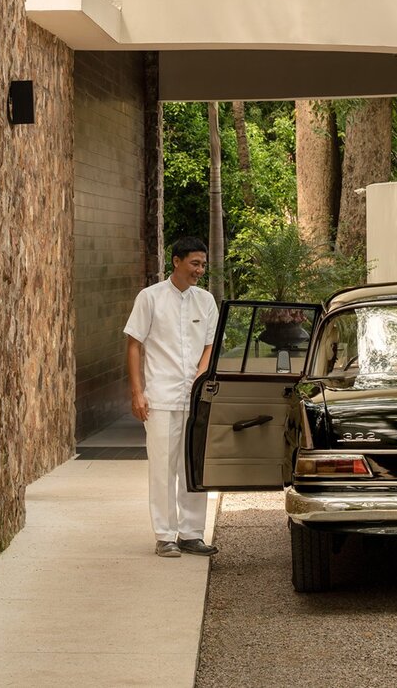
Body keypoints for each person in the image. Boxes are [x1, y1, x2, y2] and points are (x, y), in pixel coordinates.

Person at [124, 236, 220, 558]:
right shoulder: (149, 298)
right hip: (161, 397)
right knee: (163, 468)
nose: (199, 270)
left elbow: (210, 344)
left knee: (193, 466)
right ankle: (165, 535)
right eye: (195, 263)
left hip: (196, 398)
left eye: (203, 265)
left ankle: (191, 534)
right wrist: (138, 392)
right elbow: (134, 344)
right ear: (176, 262)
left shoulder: (206, 301)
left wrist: (201, 374)